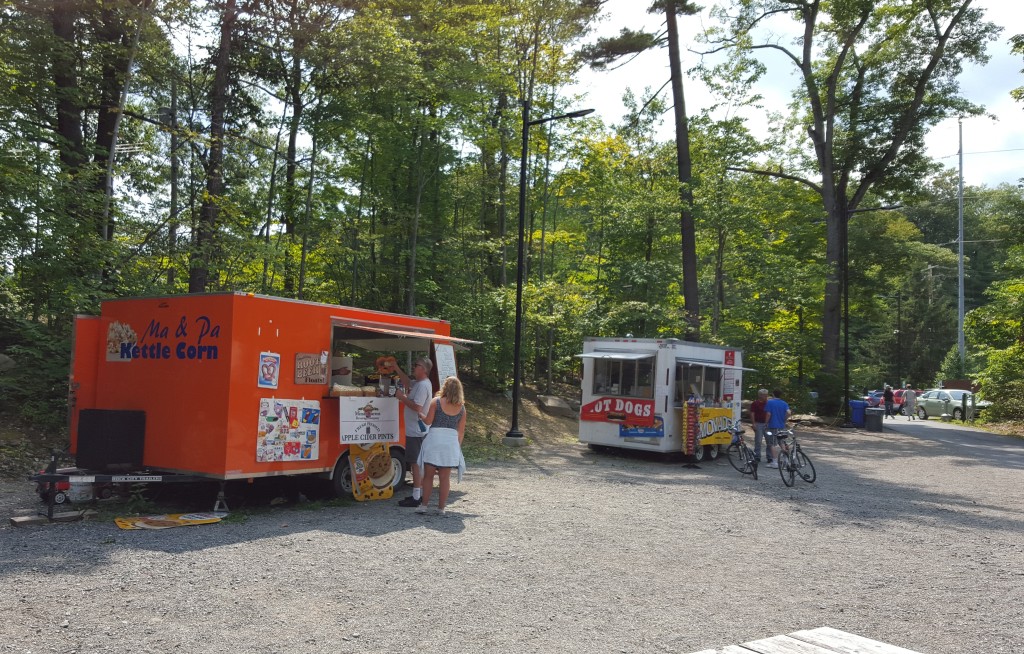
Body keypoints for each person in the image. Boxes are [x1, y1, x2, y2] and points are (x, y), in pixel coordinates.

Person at [416, 376, 467, 516]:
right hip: (450, 443)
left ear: (445, 387)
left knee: (428, 476)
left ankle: (424, 505)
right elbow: (461, 431)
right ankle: (441, 508)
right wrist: (457, 446)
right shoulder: (462, 408)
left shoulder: (436, 402)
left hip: (434, 440)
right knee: (445, 478)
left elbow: (428, 421)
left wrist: (421, 414)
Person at [392, 357, 434, 507]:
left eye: (417, 365)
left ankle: (416, 497)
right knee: (416, 462)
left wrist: (401, 397)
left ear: (423, 369)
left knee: (415, 463)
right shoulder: (419, 383)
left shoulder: (423, 386)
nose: (414, 367)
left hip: (416, 431)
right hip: (415, 430)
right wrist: (396, 367)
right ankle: (418, 494)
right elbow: (407, 382)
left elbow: (417, 406)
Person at [764, 389, 791, 469]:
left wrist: (766, 423)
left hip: (773, 425)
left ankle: (775, 462)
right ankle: (786, 460)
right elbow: (789, 412)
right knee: (782, 442)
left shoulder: (770, 402)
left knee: (772, 444)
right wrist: (784, 419)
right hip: (781, 426)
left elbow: (768, 414)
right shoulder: (784, 403)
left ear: (773, 394)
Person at [749, 388, 770, 463]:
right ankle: (757, 456)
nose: (766, 397)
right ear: (760, 395)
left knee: (769, 441)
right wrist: (753, 423)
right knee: (758, 440)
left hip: (768, 424)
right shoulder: (755, 403)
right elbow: (752, 413)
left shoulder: (768, 403)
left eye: (766, 395)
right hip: (758, 423)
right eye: (764, 395)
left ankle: (769, 456)